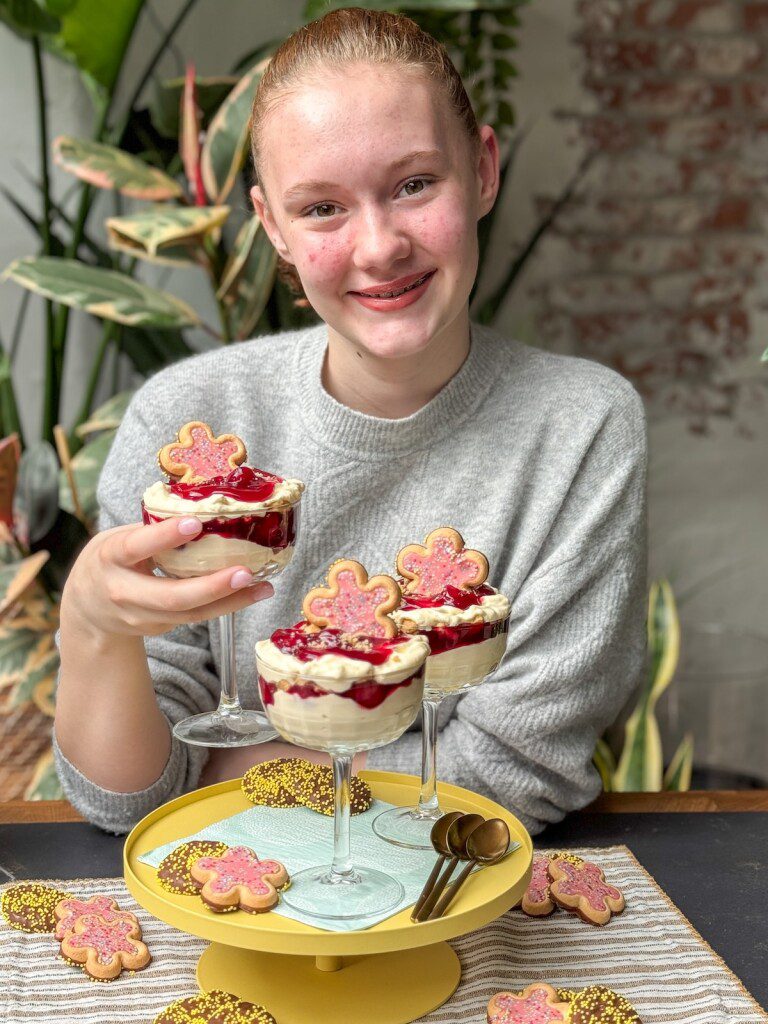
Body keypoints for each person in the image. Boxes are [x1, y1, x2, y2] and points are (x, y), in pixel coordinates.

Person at [54, 8, 647, 836]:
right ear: (273, 228)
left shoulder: (581, 428)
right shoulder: (188, 417)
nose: (378, 247)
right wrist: (90, 625)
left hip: (455, 909)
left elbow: (513, 777)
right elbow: (127, 797)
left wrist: (229, 770)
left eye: (413, 185)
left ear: (481, 172)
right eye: (322, 208)